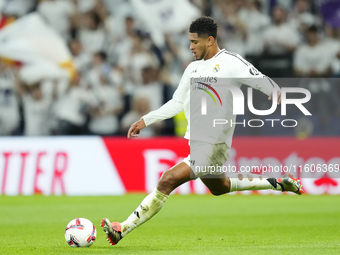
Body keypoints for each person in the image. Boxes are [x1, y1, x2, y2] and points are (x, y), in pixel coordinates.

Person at [101, 16, 304, 246]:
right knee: (220, 187)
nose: (190, 47)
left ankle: (122, 228)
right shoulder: (193, 69)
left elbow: (260, 79)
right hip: (197, 142)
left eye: (194, 42)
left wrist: (274, 91)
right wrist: (145, 120)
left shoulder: (231, 62)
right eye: (189, 41)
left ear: (209, 40)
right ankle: (278, 183)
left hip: (214, 144)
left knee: (166, 180)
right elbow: (177, 102)